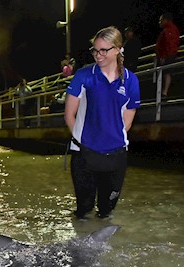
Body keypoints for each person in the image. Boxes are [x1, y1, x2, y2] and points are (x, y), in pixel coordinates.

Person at [64, 26, 141, 220]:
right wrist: (84, 142)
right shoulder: (84, 75)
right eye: (95, 50)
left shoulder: (131, 81)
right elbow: (69, 115)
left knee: (106, 211)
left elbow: (127, 121)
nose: (98, 55)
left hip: (115, 155)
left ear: (118, 49)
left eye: (103, 50)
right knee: (83, 211)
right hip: (84, 154)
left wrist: (110, 140)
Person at [155, 12, 181, 97]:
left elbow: (169, 44)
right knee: (165, 72)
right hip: (167, 54)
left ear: (166, 20)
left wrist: (163, 56)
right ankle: (163, 91)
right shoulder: (168, 29)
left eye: (161, 20)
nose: (159, 22)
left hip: (168, 55)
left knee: (166, 72)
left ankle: (164, 92)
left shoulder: (170, 29)